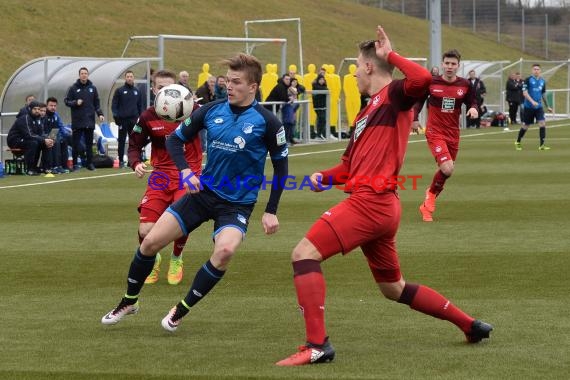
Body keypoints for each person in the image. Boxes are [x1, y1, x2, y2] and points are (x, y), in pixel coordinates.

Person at [276, 26, 492, 367]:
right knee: (394, 288)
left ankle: (317, 346)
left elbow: (421, 78)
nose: (355, 75)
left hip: (370, 203)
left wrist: (390, 53)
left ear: (368, 67)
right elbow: (347, 166)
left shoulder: (394, 95)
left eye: (357, 68)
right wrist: (324, 177)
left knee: (303, 254)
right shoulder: (365, 113)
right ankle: (470, 325)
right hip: (381, 207)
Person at [102, 53, 289, 335]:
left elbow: (281, 168)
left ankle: (181, 309)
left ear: (253, 87)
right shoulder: (211, 110)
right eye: (228, 81)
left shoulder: (269, 123)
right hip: (203, 193)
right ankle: (129, 301)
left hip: (237, 205)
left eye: (237, 82)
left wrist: (271, 210)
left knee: (225, 251)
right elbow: (175, 140)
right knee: (150, 242)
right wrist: (186, 172)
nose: (229, 86)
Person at [124, 69, 203, 286]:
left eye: (170, 88)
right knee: (145, 230)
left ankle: (176, 258)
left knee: (180, 222)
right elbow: (134, 145)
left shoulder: (194, 110)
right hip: (160, 176)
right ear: (153, 89)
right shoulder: (149, 115)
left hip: (188, 175)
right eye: (160, 88)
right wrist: (136, 163)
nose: (166, 92)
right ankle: (153, 257)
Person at [415, 49, 479, 223]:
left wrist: (473, 108)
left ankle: (426, 204)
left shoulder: (465, 84)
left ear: (458, 66)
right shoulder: (431, 82)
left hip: (453, 133)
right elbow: (419, 101)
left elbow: (473, 100)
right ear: (442, 64)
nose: (450, 66)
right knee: (447, 168)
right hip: (435, 131)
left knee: (448, 171)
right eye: (447, 63)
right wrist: (414, 119)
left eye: (453, 64)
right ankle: (430, 194)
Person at [64, 67, 105, 171]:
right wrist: (75, 102)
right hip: (77, 120)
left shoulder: (92, 88)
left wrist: (100, 114)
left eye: (85, 73)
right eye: (82, 73)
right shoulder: (73, 88)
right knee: (76, 143)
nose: (84, 75)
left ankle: (89, 164)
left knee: (89, 144)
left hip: (89, 120)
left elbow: (97, 103)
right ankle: (74, 164)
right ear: (79, 75)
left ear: (88, 75)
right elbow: (66, 101)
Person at [7, 100, 54, 175]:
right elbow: (29, 135)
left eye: (38, 109)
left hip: (27, 139)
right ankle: (30, 169)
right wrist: (43, 140)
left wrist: (47, 139)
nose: (37, 111)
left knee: (46, 143)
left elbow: (40, 134)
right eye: (35, 109)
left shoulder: (38, 119)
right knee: (33, 143)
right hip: (15, 140)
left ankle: (46, 168)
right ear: (30, 109)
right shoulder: (25, 118)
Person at [514, 64, 553, 151]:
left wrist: (548, 106)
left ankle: (542, 145)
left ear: (540, 71)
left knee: (542, 123)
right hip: (529, 107)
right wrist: (532, 102)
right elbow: (525, 93)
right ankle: (518, 141)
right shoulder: (527, 80)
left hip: (538, 107)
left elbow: (543, 94)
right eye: (534, 69)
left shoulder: (542, 81)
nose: (536, 70)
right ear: (532, 70)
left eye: (538, 69)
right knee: (526, 126)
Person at [112, 70, 143, 167]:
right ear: (125, 78)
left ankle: (132, 160)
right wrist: (117, 117)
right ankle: (121, 160)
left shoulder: (137, 91)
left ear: (133, 78)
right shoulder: (119, 91)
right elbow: (114, 106)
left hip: (134, 120)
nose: (129, 78)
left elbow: (140, 106)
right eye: (128, 76)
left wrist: (141, 119)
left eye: (131, 76)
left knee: (134, 141)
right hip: (123, 120)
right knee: (121, 140)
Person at [44, 97, 70, 174]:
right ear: (47, 105)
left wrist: (66, 135)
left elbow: (61, 126)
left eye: (55, 106)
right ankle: (54, 166)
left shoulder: (56, 115)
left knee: (65, 140)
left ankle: (64, 166)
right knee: (56, 141)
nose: (53, 107)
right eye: (51, 105)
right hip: (44, 136)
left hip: (53, 135)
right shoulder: (43, 115)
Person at [312, 74, 328, 140]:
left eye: (323, 80)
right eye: (320, 80)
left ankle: (319, 134)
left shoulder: (324, 86)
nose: (322, 81)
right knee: (322, 118)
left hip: (323, 106)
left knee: (322, 120)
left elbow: (326, 89)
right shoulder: (315, 86)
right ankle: (319, 134)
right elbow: (323, 90)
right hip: (317, 106)